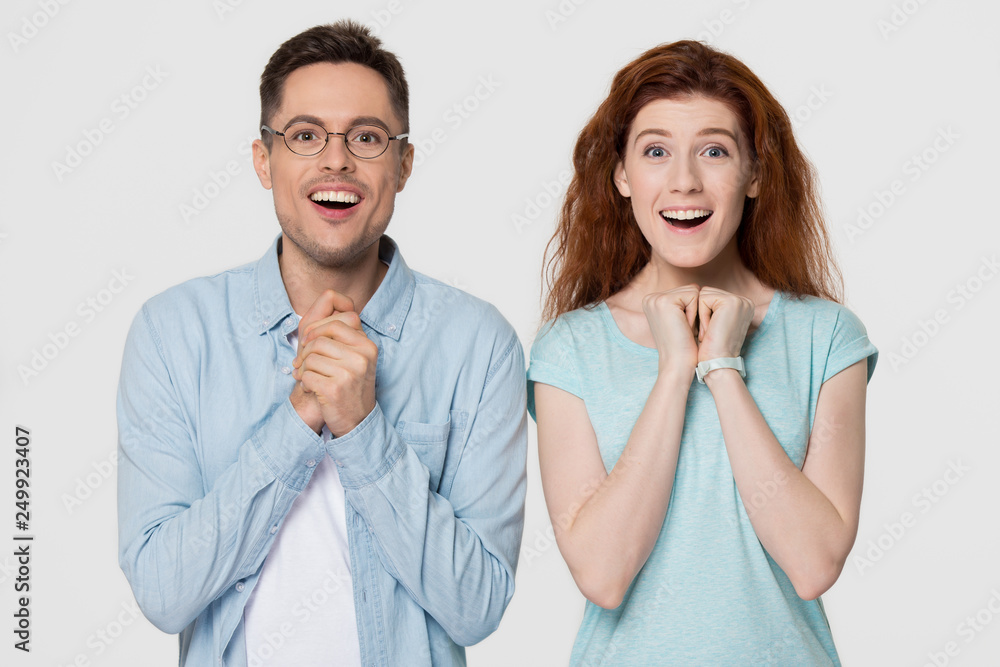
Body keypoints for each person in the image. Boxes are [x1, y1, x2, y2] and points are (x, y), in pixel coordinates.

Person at [116, 21, 527, 667]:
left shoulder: (478, 343)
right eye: (305, 136)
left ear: (403, 164)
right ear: (263, 160)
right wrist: (301, 415)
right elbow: (164, 593)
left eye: (366, 137)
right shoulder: (172, 331)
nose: (336, 160)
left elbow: (476, 606)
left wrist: (364, 428)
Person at [528, 40, 877, 665]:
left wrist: (723, 368)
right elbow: (604, 576)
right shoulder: (570, 349)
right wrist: (672, 371)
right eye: (655, 151)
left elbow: (813, 562)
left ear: (755, 174)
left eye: (714, 151)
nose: (684, 180)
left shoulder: (827, 338)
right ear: (622, 176)